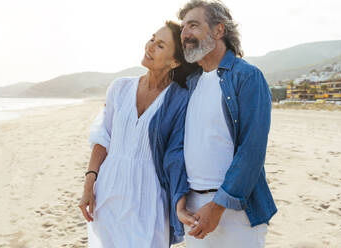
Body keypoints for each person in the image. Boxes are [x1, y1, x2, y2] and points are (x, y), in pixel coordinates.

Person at [78, 21, 199, 248]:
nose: (150, 46)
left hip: (149, 197)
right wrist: (88, 186)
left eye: (161, 45)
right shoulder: (120, 87)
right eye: (153, 38)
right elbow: (102, 138)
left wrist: (180, 205)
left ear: (174, 61)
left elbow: (177, 156)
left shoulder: (180, 99)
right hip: (108, 191)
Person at [175, 1, 277, 247]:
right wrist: (180, 203)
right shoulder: (191, 83)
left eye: (193, 25)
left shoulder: (247, 76)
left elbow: (252, 151)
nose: (185, 34)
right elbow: (178, 148)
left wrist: (218, 207)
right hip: (193, 210)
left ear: (219, 30)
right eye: (183, 27)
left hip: (236, 211)